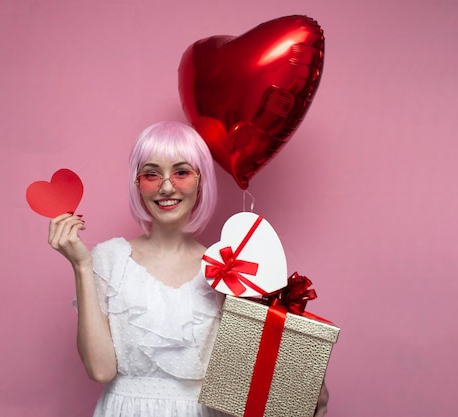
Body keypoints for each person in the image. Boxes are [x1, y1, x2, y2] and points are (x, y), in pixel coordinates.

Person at [47, 121, 329, 416]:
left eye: (181, 172)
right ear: (137, 183)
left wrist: (299, 378)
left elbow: (247, 378)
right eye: (151, 174)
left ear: (201, 181)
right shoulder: (109, 259)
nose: (166, 186)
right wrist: (81, 266)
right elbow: (100, 370)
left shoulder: (226, 269)